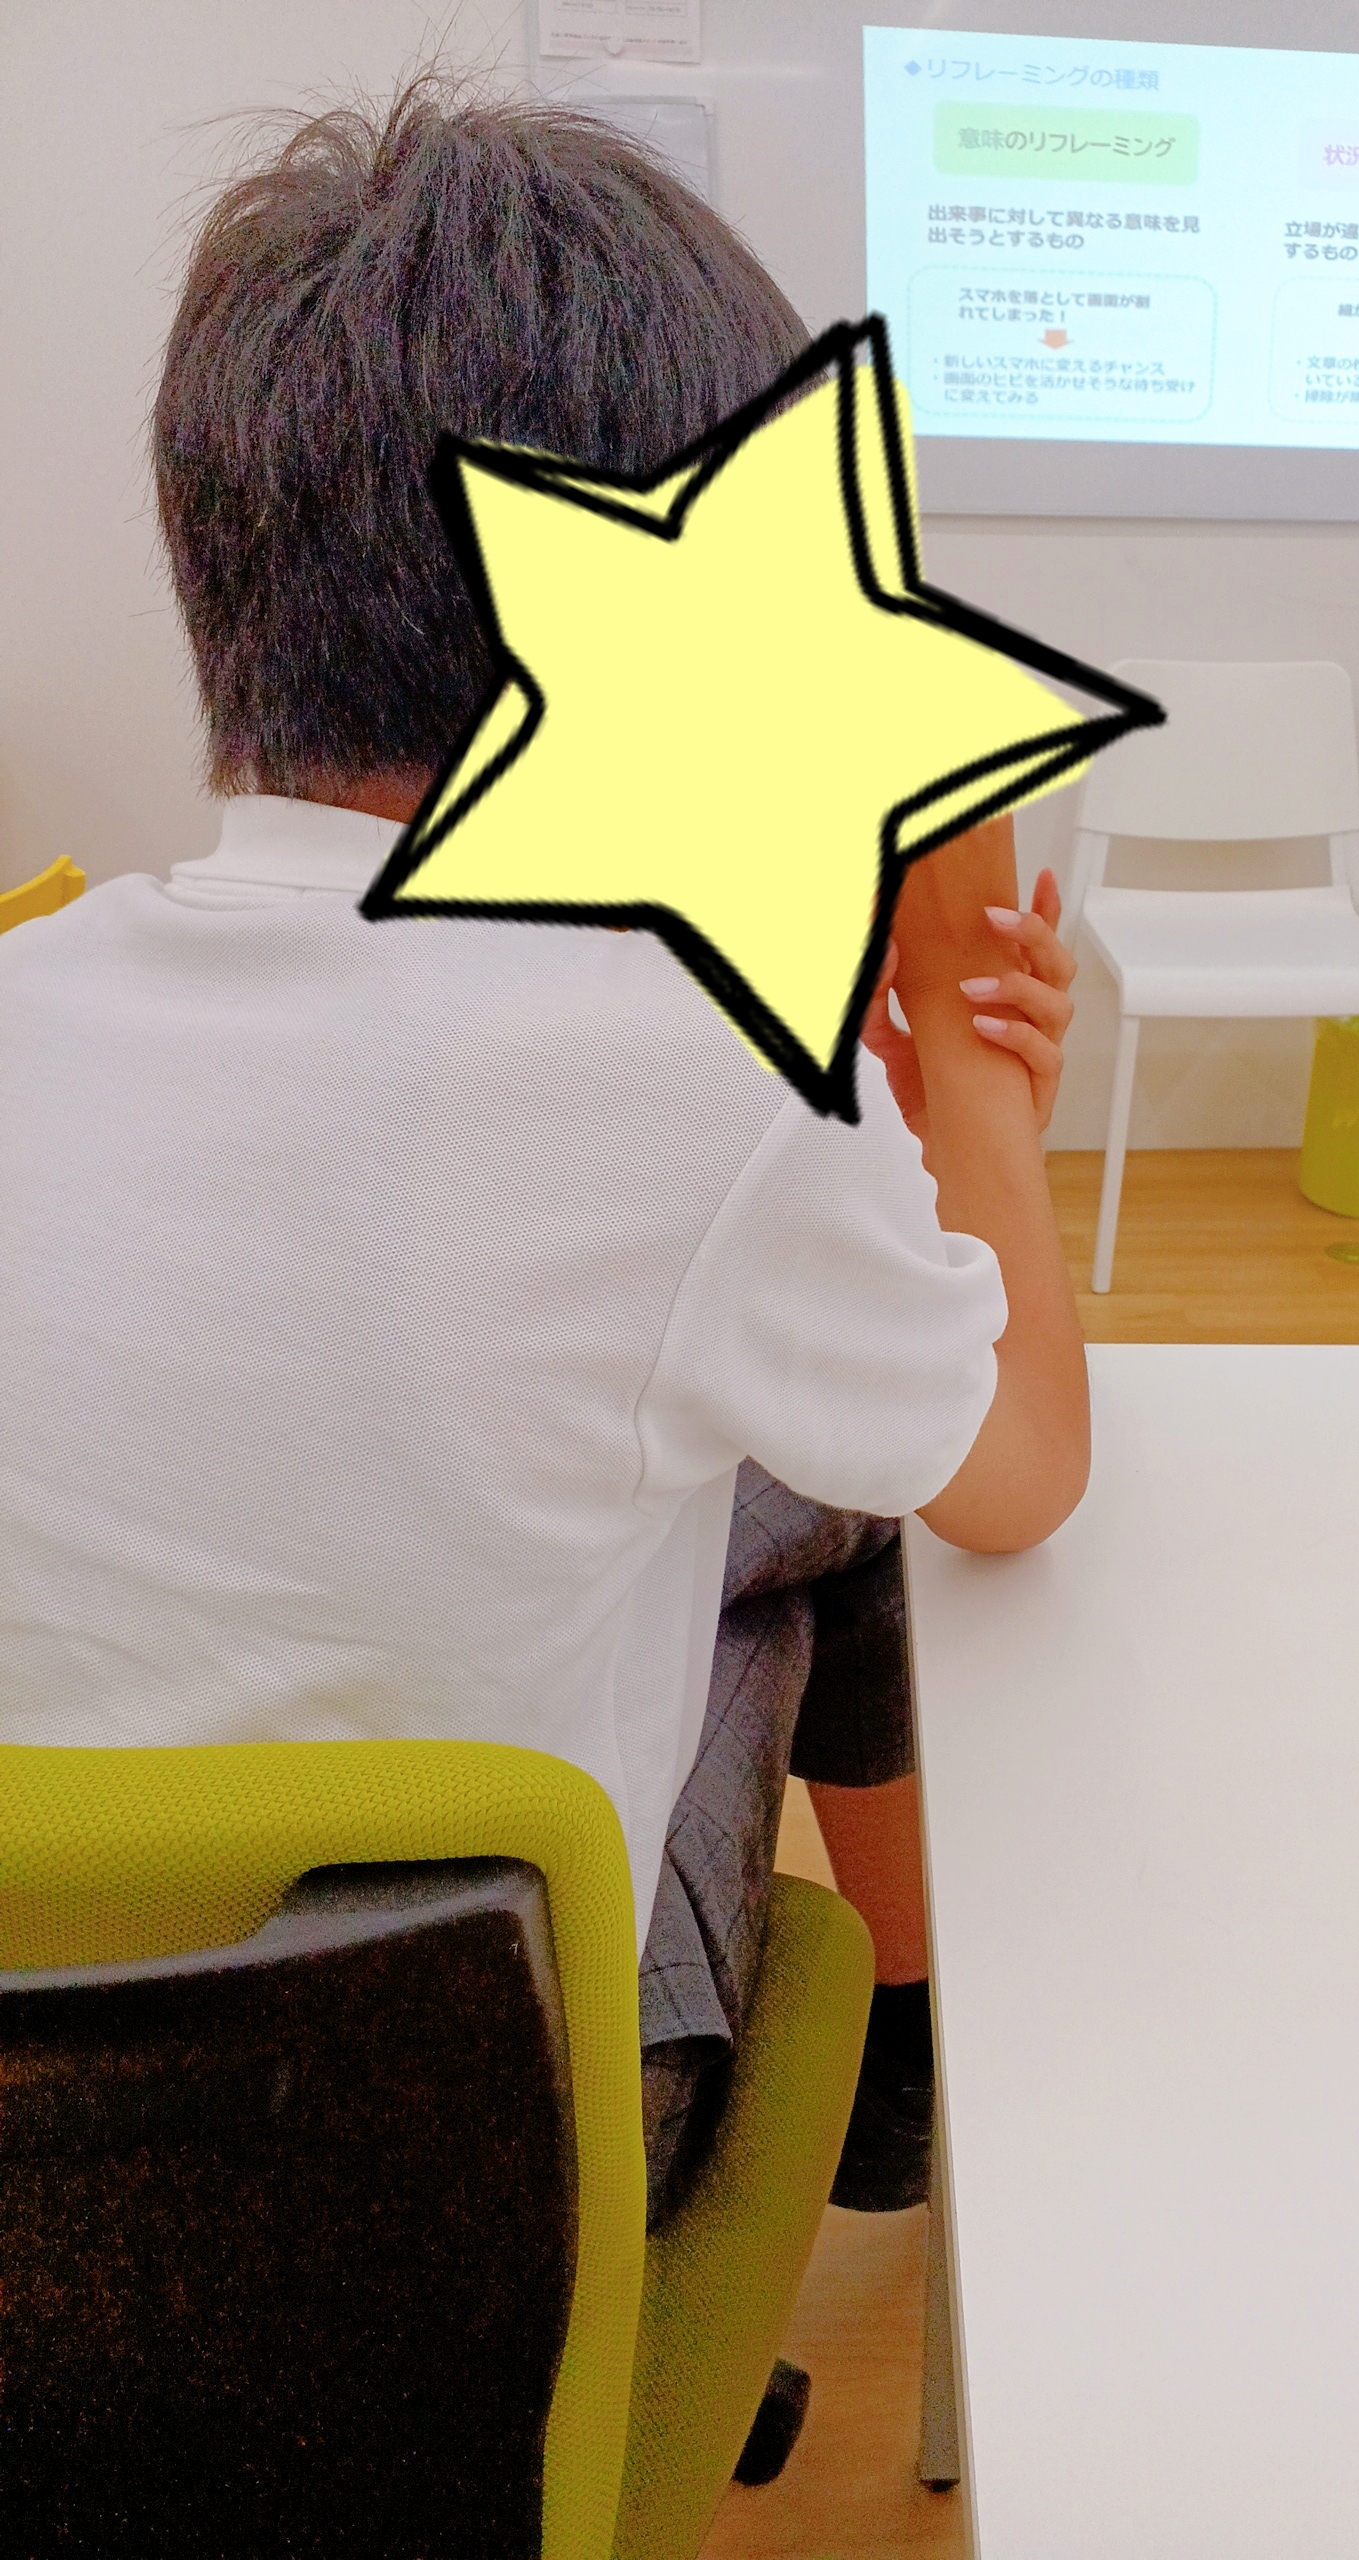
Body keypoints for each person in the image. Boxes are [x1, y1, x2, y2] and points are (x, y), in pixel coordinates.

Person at [0, 81, 1088, 2229]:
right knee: (844, 1493)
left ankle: (899, 2046)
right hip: (474, 2187)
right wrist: (967, 1066)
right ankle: (900, 2041)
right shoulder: (713, 1091)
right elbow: (1024, 1474)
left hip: (40, 2172)